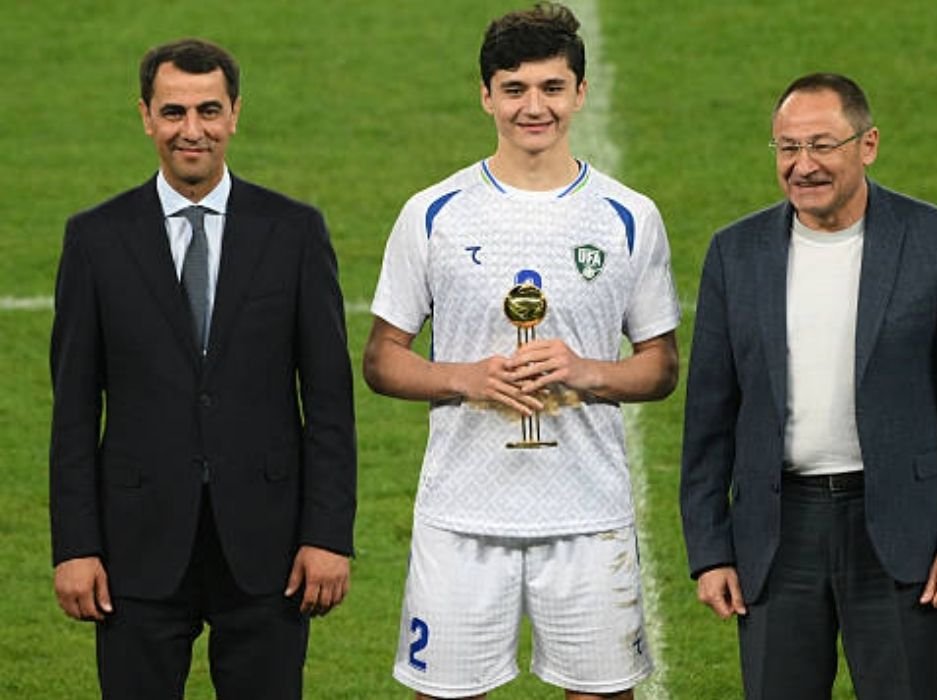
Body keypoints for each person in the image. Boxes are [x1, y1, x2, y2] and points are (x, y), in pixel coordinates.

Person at [362, 4, 679, 699]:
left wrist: (587, 372)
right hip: (461, 514)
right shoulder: (433, 213)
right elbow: (382, 358)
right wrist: (465, 378)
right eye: (514, 89)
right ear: (486, 96)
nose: (534, 107)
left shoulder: (629, 216)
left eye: (551, 88)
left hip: (589, 514)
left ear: (580, 92)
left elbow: (660, 366)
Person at [49, 38, 357, 698]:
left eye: (209, 110)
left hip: (269, 548)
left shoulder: (295, 231)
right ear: (146, 116)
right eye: (174, 112)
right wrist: (75, 546)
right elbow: (72, 410)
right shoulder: (96, 238)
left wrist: (328, 536)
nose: (192, 130)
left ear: (235, 114)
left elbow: (330, 401)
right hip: (136, 546)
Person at [679, 73, 937, 699]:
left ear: (867, 145)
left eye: (822, 145)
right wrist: (711, 550)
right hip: (778, 535)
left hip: (901, 531)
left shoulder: (935, 241)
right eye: (788, 148)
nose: (804, 165)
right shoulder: (735, 253)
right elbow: (709, 415)